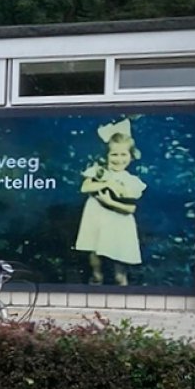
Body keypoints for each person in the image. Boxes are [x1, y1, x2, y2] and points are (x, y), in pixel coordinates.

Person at [74, 119, 146, 286]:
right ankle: (96, 280)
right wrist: (108, 183)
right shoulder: (99, 172)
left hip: (118, 222)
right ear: (106, 155)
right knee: (94, 252)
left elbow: (130, 208)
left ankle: (123, 297)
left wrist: (109, 202)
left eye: (123, 154)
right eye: (114, 154)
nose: (118, 159)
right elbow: (85, 188)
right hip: (96, 219)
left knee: (119, 271)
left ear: (131, 156)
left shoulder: (132, 181)